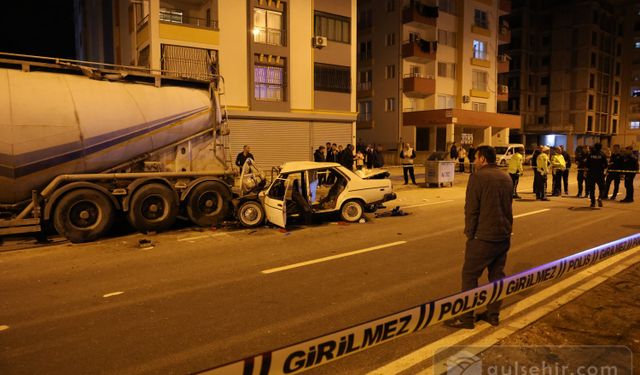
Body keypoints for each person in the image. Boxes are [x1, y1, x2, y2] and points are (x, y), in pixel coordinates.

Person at [445, 146, 513, 329]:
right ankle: (493, 315)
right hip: (503, 236)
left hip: (483, 237)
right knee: (497, 276)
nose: (473, 161)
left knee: (469, 275)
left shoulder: (478, 177)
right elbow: (508, 207)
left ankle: (467, 318)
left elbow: (472, 209)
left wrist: (470, 234)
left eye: (475, 158)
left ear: (482, 159)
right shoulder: (506, 177)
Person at [586, 142, 608, 208]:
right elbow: (606, 165)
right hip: (600, 174)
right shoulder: (602, 154)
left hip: (591, 174)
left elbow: (587, 164)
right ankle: (600, 198)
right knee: (602, 188)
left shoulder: (590, 154)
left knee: (591, 189)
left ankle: (593, 203)